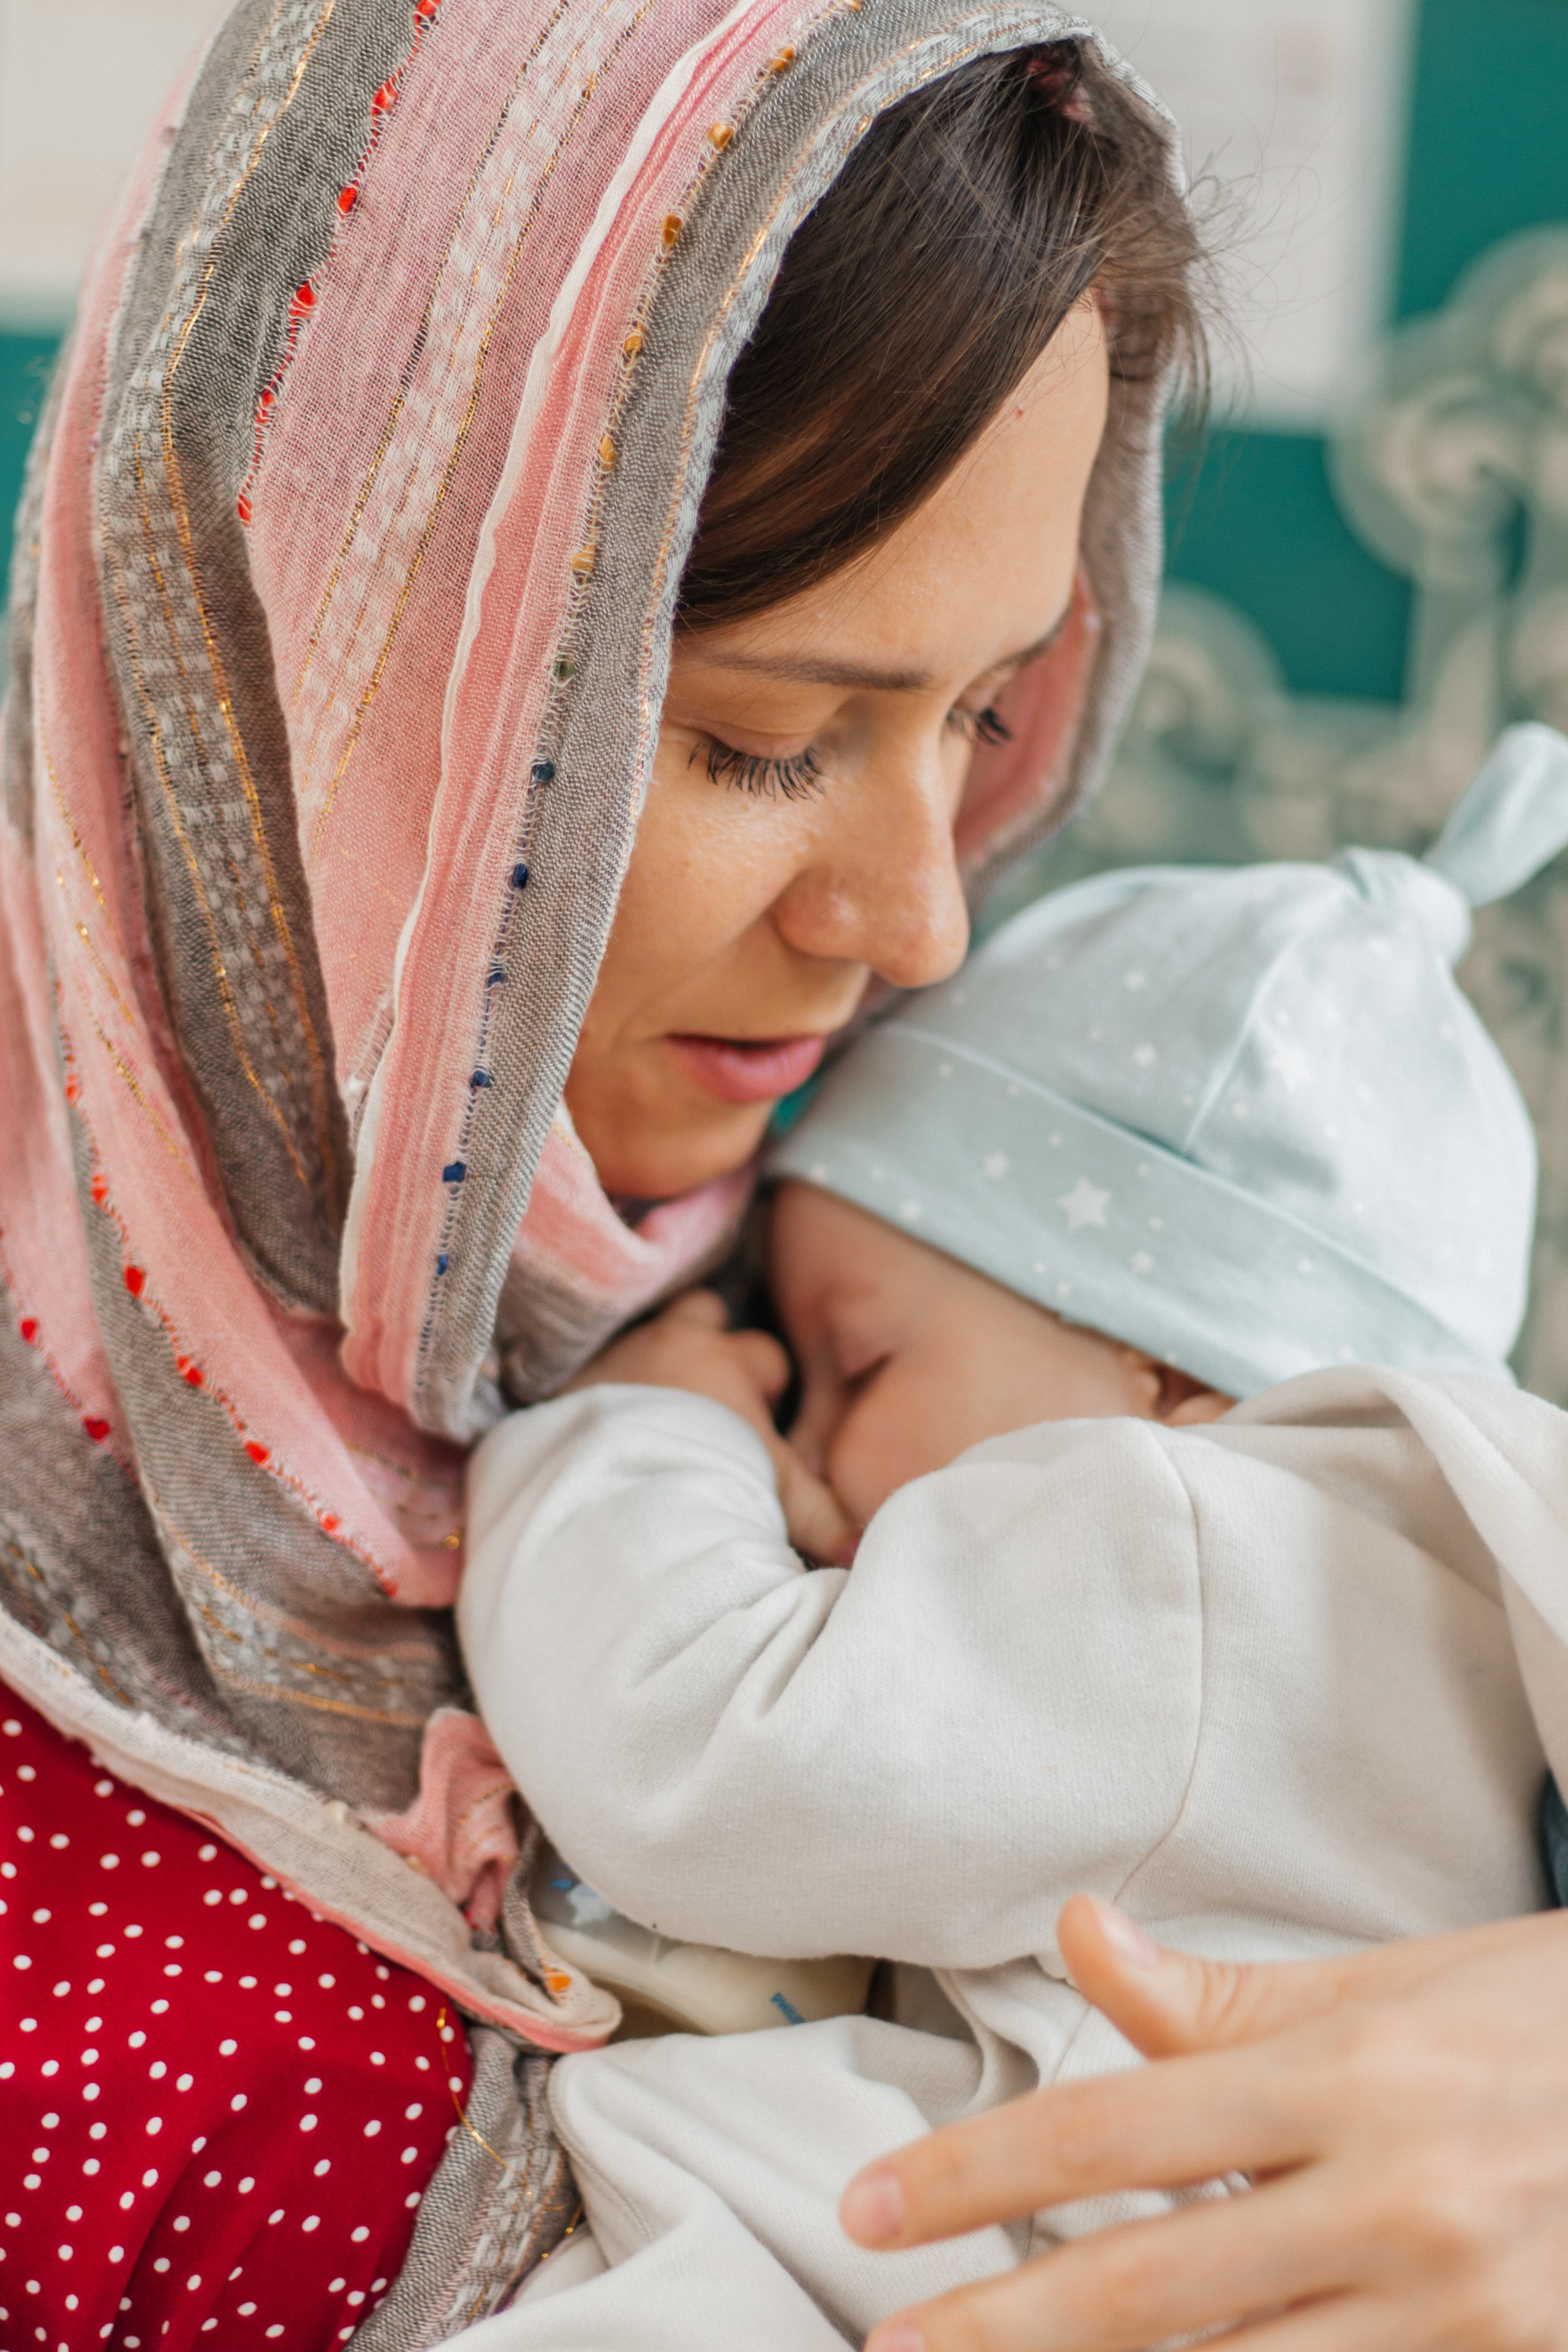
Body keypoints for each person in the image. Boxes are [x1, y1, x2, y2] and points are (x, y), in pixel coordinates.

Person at [0, 8, 1197, 2344]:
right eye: (765, 741)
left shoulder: (964, 1296)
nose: (919, 922)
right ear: (335, 692)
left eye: (981, 712)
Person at [450, 725, 1568, 2348]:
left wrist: (645, 1423)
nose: (804, 1460)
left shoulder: (1201, 1549)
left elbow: (690, 1744)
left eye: (857, 1366)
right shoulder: (1392, 1618)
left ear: (1169, 1372)